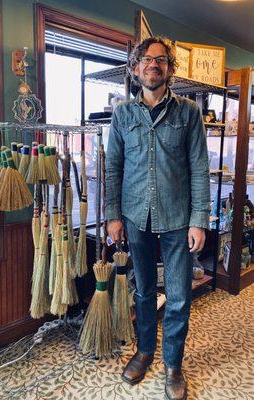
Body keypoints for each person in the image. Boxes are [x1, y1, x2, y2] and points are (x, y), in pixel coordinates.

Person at [105, 36, 210, 400]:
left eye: (161, 60)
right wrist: (113, 215)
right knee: (145, 290)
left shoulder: (188, 112)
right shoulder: (122, 115)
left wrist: (200, 219)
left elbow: (199, 168)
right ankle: (145, 350)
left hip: (178, 217)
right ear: (135, 70)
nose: (154, 64)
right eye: (147, 60)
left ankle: (173, 364)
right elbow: (113, 168)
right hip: (135, 216)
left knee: (179, 295)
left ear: (169, 68)